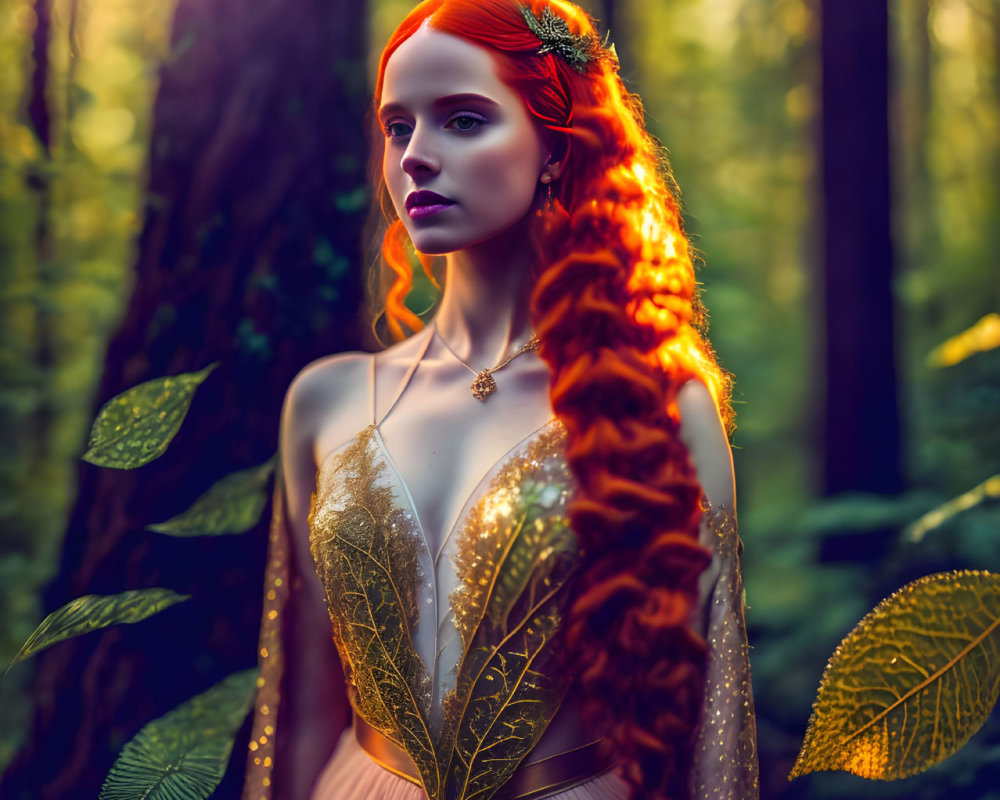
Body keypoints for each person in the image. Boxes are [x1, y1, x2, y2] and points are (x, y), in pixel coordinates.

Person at [242, 1, 758, 798]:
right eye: (398, 126)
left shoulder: (658, 404)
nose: (416, 155)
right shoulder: (324, 403)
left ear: (555, 147)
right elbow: (302, 713)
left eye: (463, 119)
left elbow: (711, 725)